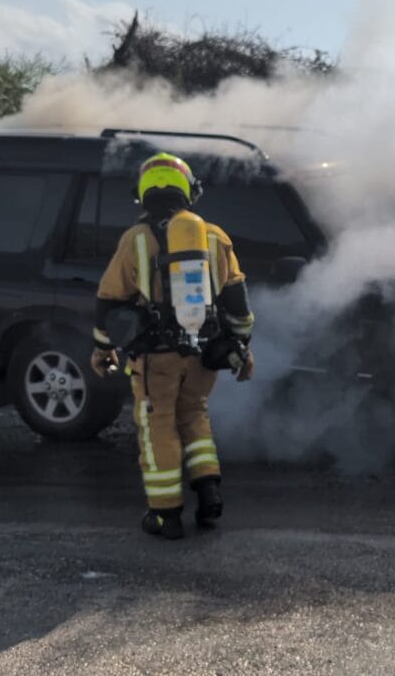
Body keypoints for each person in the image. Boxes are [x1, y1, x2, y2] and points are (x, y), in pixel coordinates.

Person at [90, 152, 255, 540]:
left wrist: (103, 348)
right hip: (205, 351)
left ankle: (165, 515)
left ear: (143, 194)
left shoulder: (135, 240)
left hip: (156, 358)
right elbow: (238, 303)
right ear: (189, 191)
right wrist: (242, 346)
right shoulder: (215, 237)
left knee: (157, 424)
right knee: (194, 413)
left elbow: (108, 299)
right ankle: (208, 488)